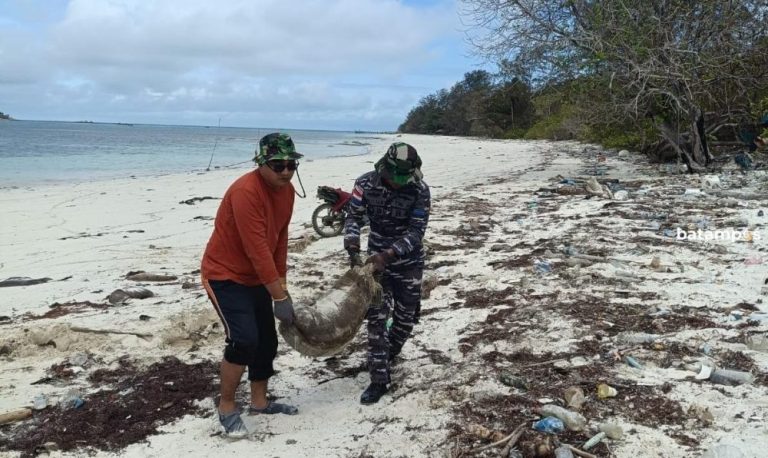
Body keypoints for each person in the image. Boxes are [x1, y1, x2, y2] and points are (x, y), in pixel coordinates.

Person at [201, 132, 302, 438]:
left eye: (291, 164)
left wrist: (281, 286)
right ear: (261, 163)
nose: (285, 171)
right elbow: (256, 250)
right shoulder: (246, 192)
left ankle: (259, 402)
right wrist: (279, 297)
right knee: (244, 340)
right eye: (277, 164)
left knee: (267, 341)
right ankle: (227, 407)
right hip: (225, 274)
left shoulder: (286, 191)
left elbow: (279, 241)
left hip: (259, 276)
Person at [344, 142, 431, 405]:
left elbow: (416, 233)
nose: (398, 183)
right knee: (376, 321)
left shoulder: (420, 190)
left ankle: (388, 354)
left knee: (405, 320)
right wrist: (352, 243)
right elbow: (353, 217)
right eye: (395, 177)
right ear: (384, 168)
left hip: (408, 263)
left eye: (404, 177)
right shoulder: (365, 184)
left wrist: (389, 255)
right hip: (375, 266)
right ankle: (379, 378)